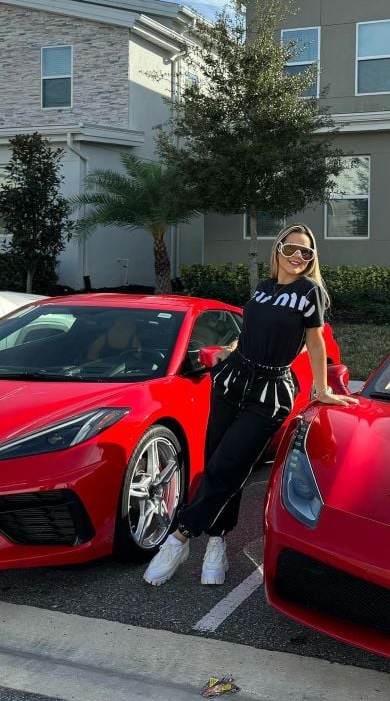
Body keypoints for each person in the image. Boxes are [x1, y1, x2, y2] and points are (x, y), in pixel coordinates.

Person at [143, 223, 358, 586]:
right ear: (278, 250)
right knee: (218, 463)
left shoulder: (311, 292)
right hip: (232, 380)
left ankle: (179, 538)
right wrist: (228, 351)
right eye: (291, 249)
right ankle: (216, 542)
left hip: (270, 391)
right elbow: (251, 333)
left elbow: (316, 342)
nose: (297, 258)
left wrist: (320, 387)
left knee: (229, 465)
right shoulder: (263, 288)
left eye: (306, 253)